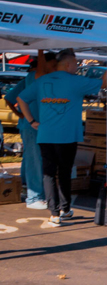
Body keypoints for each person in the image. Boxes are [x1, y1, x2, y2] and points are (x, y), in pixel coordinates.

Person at [16, 47, 107, 226]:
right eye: (76, 63)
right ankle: (64, 209)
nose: (77, 66)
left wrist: (31, 120)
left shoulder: (42, 81)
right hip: (67, 136)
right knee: (64, 173)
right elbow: (104, 83)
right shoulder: (75, 81)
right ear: (67, 64)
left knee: (49, 174)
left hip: (46, 135)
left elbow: (21, 99)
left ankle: (55, 213)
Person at [5, 51, 57, 210]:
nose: (55, 67)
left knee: (31, 158)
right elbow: (10, 98)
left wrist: (20, 114)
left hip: (32, 125)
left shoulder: (39, 78)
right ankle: (34, 196)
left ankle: (28, 187)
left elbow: (10, 98)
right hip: (31, 125)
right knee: (34, 159)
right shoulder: (34, 77)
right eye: (53, 64)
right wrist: (20, 115)